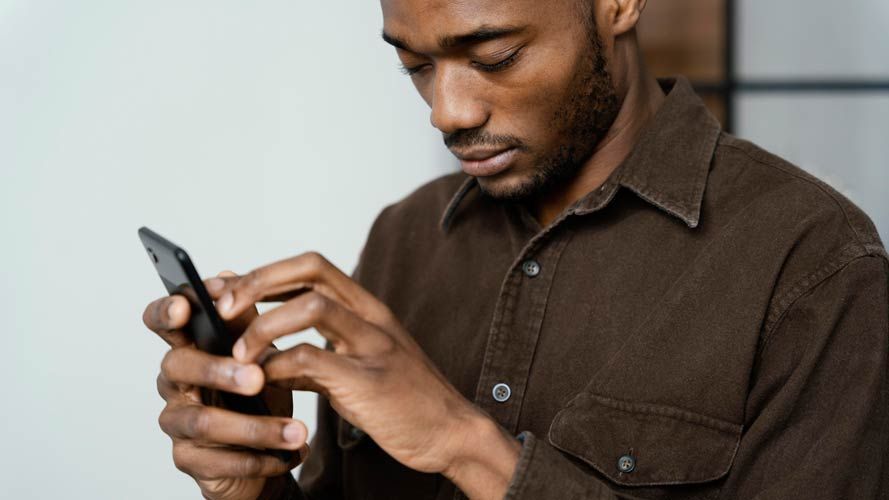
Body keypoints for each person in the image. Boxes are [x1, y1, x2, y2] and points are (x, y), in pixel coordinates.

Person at [142, 0, 889, 498]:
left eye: (493, 56)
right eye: (414, 66)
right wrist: (259, 482)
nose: (447, 112)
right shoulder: (404, 236)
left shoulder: (814, 266)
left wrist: (466, 445)